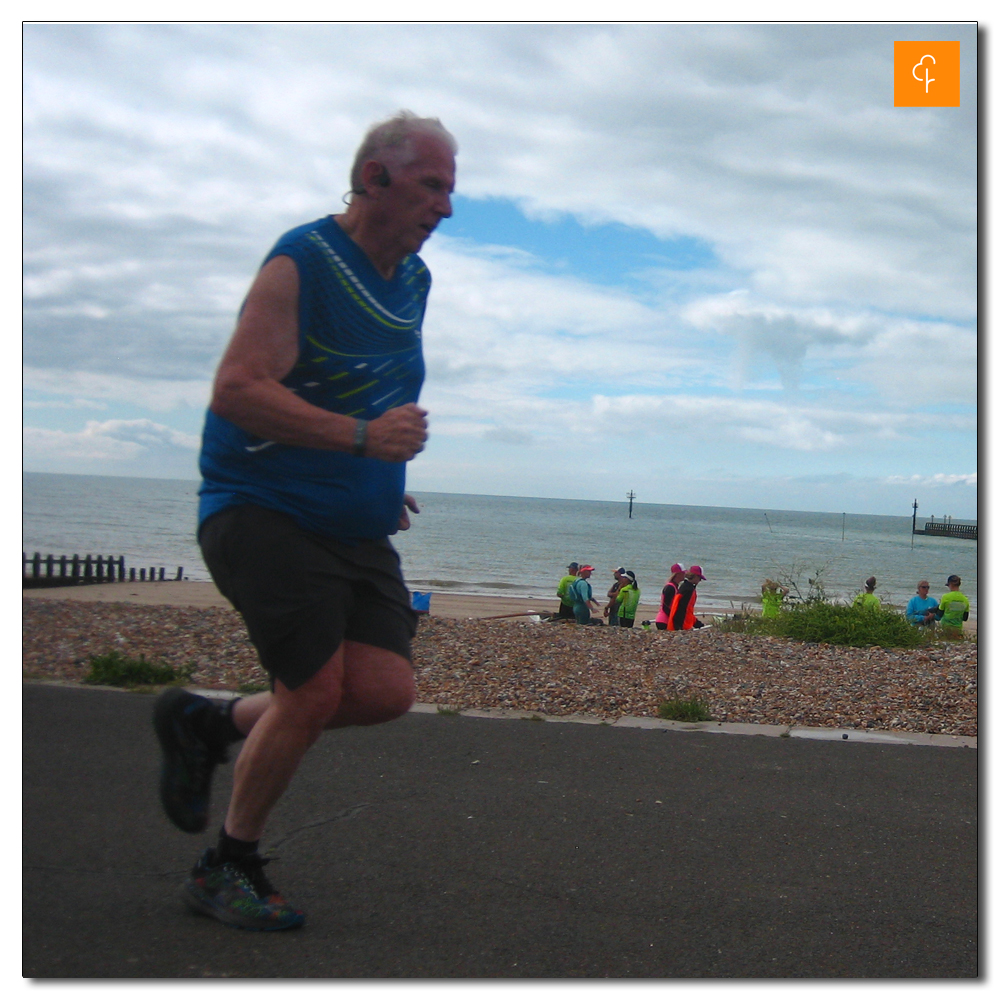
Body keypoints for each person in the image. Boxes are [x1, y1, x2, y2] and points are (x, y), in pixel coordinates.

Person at [151, 111, 457, 931]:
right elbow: (241, 389)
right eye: (434, 186)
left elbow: (367, 383)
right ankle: (227, 866)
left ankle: (205, 721)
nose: (448, 208)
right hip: (262, 509)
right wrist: (364, 440)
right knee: (312, 691)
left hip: (354, 524)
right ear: (373, 181)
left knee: (384, 691)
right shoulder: (303, 263)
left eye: (451, 189)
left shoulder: (413, 283)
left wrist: (377, 478)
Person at [668, 565, 706, 631]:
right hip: (682, 625)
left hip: (677, 624)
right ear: (695, 576)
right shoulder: (689, 590)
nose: (700, 581)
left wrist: (696, 623)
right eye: (700, 578)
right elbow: (683, 609)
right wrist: (678, 627)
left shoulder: (684, 587)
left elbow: (684, 608)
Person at [654, 564, 685, 631]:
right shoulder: (670, 588)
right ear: (677, 574)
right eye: (683, 573)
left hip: (667, 620)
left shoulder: (674, 586)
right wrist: (674, 619)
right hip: (664, 621)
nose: (684, 574)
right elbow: (665, 607)